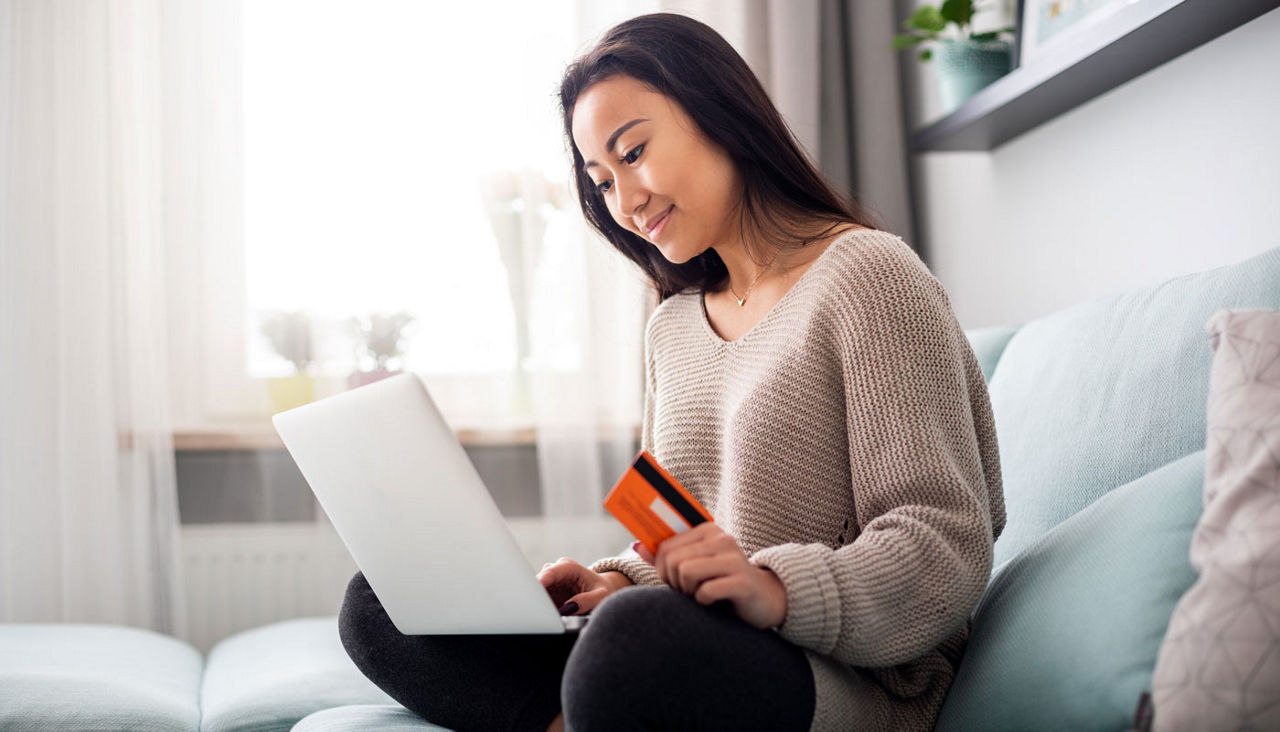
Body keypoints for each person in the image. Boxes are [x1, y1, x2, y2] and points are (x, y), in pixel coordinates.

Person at [338, 12, 1004, 732]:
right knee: (382, 601)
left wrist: (774, 589)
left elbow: (944, 542)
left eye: (633, 154)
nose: (624, 202)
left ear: (720, 111)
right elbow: (676, 539)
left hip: (839, 674)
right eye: (600, 180)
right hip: (691, 640)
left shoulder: (870, 278)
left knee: (634, 647)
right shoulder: (671, 328)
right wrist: (617, 580)